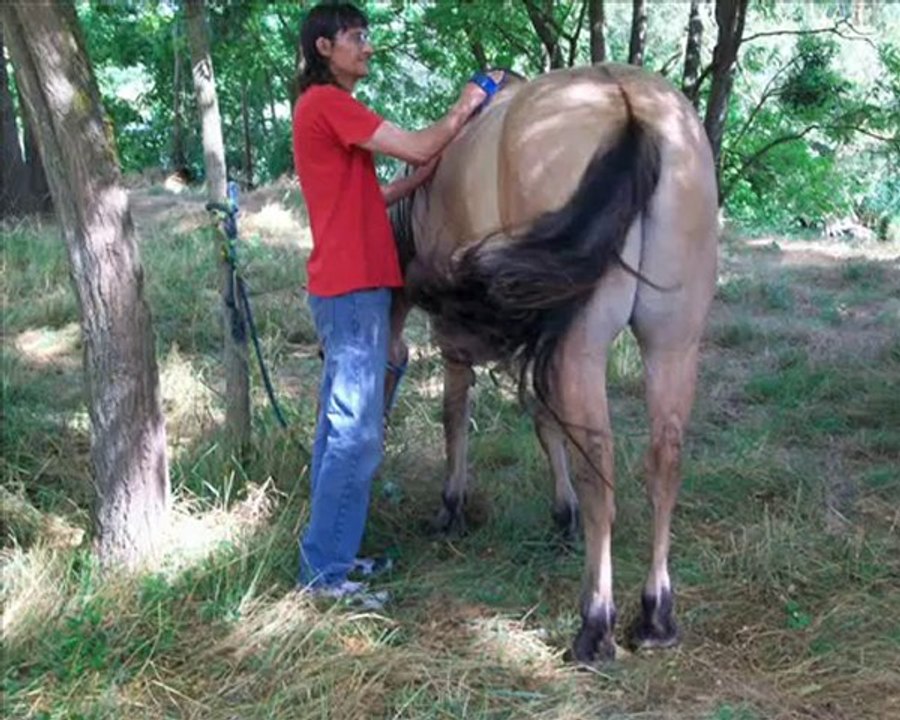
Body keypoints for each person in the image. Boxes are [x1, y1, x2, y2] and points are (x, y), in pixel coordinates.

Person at [292, 1, 496, 607]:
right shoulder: (329, 103)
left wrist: (413, 184)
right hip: (352, 288)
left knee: (343, 431)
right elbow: (418, 142)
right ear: (324, 46)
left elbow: (359, 195)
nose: (368, 47)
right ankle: (325, 578)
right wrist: (471, 99)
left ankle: (330, 556)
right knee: (354, 434)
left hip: (352, 287)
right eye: (356, 37)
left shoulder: (321, 109)